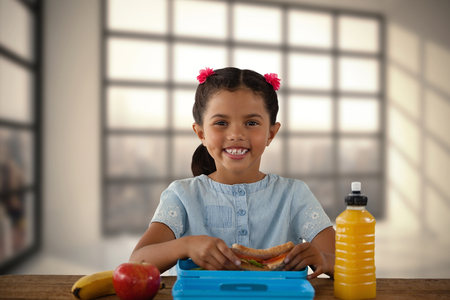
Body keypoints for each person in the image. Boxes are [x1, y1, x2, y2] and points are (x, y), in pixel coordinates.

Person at [130, 67, 335, 279]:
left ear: (271, 133)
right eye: (221, 123)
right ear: (201, 133)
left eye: (251, 123)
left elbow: (348, 264)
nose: (236, 134)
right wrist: (186, 245)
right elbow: (136, 262)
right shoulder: (182, 195)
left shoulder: (294, 195)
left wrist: (325, 260)